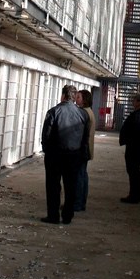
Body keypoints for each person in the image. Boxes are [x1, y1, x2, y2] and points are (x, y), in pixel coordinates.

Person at [41, 84, 90, 224]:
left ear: (62, 95)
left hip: (55, 155)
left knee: (53, 186)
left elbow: (46, 135)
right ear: (74, 98)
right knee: (71, 186)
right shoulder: (83, 114)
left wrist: (47, 151)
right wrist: (82, 154)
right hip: (74, 155)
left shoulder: (53, 112)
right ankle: (68, 216)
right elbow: (85, 138)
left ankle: (53, 216)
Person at [74, 89, 95, 211]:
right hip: (86, 149)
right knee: (82, 176)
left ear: (84, 100)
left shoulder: (83, 113)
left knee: (78, 177)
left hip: (81, 149)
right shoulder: (89, 112)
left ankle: (77, 204)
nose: (76, 99)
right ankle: (81, 203)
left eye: (78, 97)